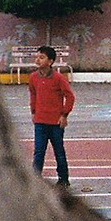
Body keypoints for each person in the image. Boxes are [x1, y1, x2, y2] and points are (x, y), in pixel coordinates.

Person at [29, 45, 74, 186]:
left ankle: (63, 178)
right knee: (39, 152)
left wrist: (64, 115)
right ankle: (35, 180)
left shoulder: (58, 78)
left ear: (50, 61)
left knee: (59, 151)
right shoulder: (33, 78)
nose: (38, 60)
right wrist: (33, 112)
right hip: (40, 122)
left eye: (42, 57)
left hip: (55, 122)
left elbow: (70, 96)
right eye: (37, 57)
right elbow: (33, 94)